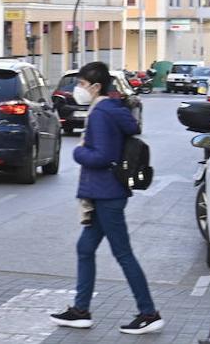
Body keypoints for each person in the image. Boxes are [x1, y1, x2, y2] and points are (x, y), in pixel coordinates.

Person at [50, 61, 164, 335]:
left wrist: (78, 153)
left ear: (96, 86)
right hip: (105, 192)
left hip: (105, 193)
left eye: (81, 84)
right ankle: (80, 311)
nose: (78, 89)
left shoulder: (100, 112)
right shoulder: (114, 109)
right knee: (85, 249)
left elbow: (102, 156)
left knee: (123, 253)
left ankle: (148, 313)